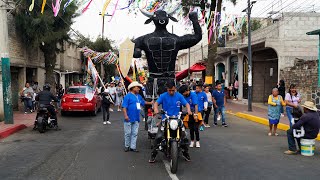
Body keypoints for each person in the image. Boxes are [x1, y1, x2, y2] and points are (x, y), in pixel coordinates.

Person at [150, 82, 192, 163]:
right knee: (158, 136)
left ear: (175, 88)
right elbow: (156, 103)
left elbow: (186, 104)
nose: (171, 92)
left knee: (185, 136)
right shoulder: (163, 96)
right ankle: (153, 154)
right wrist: (155, 109)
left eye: (173, 90)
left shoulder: (179, 95)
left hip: (177, 119)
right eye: (170, 90)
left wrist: (189, 110)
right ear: (167, 89)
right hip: (165, 119)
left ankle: (185, 152)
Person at [122, 81, 153, 152]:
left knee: (135, 133)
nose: (139, 89)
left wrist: (151, 103)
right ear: (133, 88)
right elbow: (124, 107)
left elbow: (143, 102)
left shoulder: (139, 96)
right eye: (137, 87)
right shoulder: (127, 96)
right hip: (129, 118)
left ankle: (133, 147)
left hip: (136, 118)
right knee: (128, 133)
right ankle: (127, 146)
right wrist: (126, 115)